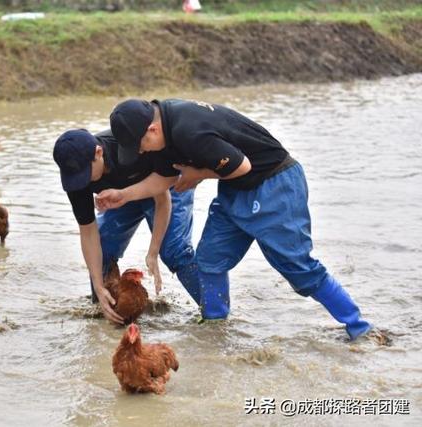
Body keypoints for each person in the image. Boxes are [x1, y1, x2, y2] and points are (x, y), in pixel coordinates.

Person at [97, 99, 372, 340]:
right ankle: (215, 326)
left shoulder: (188, 129)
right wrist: (124, 194)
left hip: (274, 183)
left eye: (141, 145)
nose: (142, 152)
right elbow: (164, 179)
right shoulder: (162, 132)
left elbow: (242, 165)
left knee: (297, 267)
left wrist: (197, 175)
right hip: (235, 188)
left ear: (152, 129)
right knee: (210, 260)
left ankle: (359, 327)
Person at [53, 129, 200, 324]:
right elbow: (88, 232)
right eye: (77, 177)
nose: (83, 181)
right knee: (103, 245)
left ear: (98, 153)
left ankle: (215, 312)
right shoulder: (76, 179)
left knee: (173, 251)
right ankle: (106, 309)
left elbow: (162, 199)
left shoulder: (130, 148)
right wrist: (98, 285)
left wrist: (153, 252)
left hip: (164, 185)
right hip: (120, 194)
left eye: (85, 174)